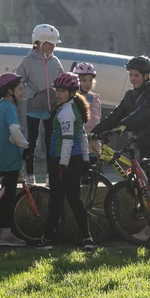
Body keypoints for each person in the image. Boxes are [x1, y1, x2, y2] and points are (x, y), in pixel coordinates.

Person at [89, 55, 150, 181]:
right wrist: (95, 131)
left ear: (146, 76)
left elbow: (147, 110)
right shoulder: (130, 95)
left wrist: (124, 125)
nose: (132, 79)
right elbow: (115, 116)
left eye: (136, 75)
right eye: (130, 75)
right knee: (142, 180)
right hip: (145, 141)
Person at [43, 73, 96, 251]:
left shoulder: (65, 111)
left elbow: (67, 140)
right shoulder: (74, 108)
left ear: (72, 92)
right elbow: (82, 137)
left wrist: (62, 165)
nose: (58, 94)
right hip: (76, 160)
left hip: (63, 159)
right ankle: (87, 238)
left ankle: (47, 240)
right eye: (57, 90)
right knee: (74, 199)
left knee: (56, 200)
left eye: (63, 91)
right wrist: (86, 159)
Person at [14, 24, 66, 180]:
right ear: (40, 43)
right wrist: (33, 94)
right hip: (34, 107)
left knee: (51, 141)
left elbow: (62, 80)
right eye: (50, 43)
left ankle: (51, 174)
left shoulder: (55, 61)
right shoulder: (28, 60)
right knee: (31, 140)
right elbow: (19, 82)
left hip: (52, 108)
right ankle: (30, 173)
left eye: (54, 44)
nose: (53, 47)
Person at [0, 72, 30, 247]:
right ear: (10, 91)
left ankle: (0, 233)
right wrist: (26, 146)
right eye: (20, 89)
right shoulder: (9, 108)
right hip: (9, 159)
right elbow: (14, 131)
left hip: (1, 157)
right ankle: (6, 235)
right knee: (8, 199)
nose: (22, 92)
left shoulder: (1, 106)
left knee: (5, 197)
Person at [71, 62, 102, 129]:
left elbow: (98, 119)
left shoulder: (96, 100)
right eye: (84, 80)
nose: (88, 83)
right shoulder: (73, 100)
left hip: (93, 137)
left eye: (90, 80)